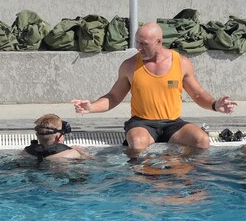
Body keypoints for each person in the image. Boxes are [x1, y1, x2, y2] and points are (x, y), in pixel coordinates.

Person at [72, 22, 237, 151]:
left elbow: (198, 94)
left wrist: (215, 105)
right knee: (137, 144)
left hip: (172, 123)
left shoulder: (181, 63)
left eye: (144, 44)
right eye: (137, 42)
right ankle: (142, 182)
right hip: (142, 123)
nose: (139, 48)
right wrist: (91, 107)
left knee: (202, 141)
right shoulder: (130, 66)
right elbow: (113, 97)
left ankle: (180, 172)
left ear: (159, 41)